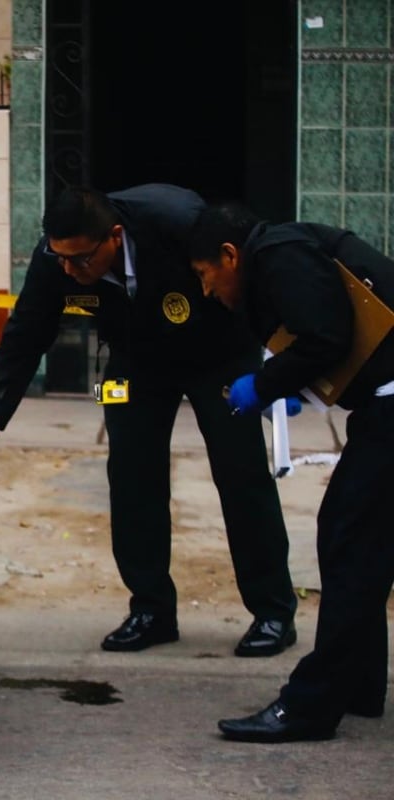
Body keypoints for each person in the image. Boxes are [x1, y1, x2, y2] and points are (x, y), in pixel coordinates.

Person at [0, 184, 299, 656]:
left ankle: (273, 612)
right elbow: (26, 333)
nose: (71, 271)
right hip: (135, 361)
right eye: (63, 261)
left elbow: (250, 275)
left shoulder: (177, 223)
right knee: (132, 477)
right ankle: (151, 609)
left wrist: (278, 372)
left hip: (217, 353)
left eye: (81, 260)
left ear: (115, 236)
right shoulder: (57, 258)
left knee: (242, 476)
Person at [190, 202, 394, 742]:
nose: (207, 290)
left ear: (230, 256)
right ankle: (360, 684)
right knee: (353, 541)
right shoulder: (285, 253)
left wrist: (266, 382)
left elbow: (326, 335)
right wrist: (297, 385)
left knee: (352, 542)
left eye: (205, 274)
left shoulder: (278, 252)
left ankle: (311, 705)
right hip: (382, 407)